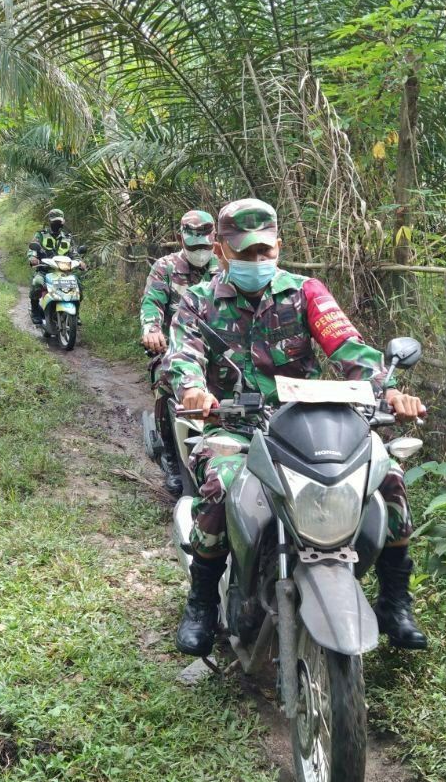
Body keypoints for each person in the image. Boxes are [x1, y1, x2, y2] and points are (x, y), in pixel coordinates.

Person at [166, 198, 429, 657]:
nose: (256, 261)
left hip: (306, 423)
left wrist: (386, 389)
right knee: (219, 483)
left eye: (264, 252)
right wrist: (194, 390)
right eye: (245, 253)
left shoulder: (307, 292)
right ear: (222, 251)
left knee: (387, 477)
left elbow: (348, 346)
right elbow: (183, 355)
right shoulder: (197, 300)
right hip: (234, 423)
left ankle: (395, 602)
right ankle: (203, 603)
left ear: (278, 248)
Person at [140, 210, 220, 495]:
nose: (200, 251)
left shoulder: (225, 269)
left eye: (205, 246)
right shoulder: (166, 267)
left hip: (219, 352)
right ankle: (171, 457)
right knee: (165, 380)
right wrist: (152, 330)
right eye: (194, 246)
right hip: (174, 348)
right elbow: (152, 302)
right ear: (180, 240)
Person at [28, 208, 79, 325]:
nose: (57, 224)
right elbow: (32, 250)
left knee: (78, 286)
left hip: (64, 272)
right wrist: (33, 258)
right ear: (50, 221)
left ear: (63, 222)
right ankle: (35, 311)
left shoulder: (67, 237)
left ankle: (76, 314)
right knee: (37, 282)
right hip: (45, 270)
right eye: (54, 221)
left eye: (59, 221)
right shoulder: (41, 235)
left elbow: (74, 253)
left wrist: (79, 262)